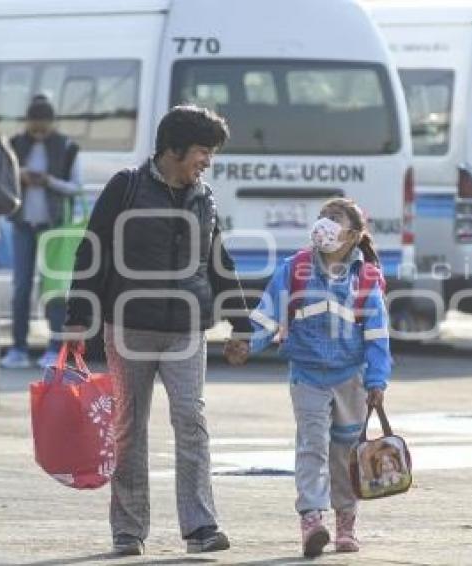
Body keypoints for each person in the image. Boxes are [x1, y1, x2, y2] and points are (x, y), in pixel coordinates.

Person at [64, 105, 251, 557]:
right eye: (203, 152)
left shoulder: (203, 196)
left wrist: (241, 324)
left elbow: (218, 261)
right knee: (130, 427)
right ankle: (128, 531)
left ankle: (201, 526)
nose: (207, 161)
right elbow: (91, 253)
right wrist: (77, 319)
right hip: (129, 327)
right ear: (173, 149)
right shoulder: (125, 188)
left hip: (186, 328)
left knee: (191, 421)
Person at [240, 197, 392, 557]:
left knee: (344, 453)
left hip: (350, 379)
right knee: (311, 448)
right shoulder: (295, 268)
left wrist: (377, 381)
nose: (325, 222)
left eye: (335, 218)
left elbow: (377, 335)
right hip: (306, 375)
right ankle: (312, 520)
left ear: (353, 235)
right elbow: (267, 313)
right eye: (323, 216)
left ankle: (345, 521)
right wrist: (247, 344)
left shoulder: (367, 278)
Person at [0, 95, 82, 370]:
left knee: (55, 289)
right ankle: (19, 347)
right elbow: (1, 181)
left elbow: (75, 187)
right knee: (21, 287)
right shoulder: (13, 145)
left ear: (52, 123)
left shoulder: (67, 147)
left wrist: (48, 181)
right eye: (34, 127)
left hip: (54, 228)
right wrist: (19, 176)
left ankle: (55, 347)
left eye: (43, 127)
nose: (38, 132)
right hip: (23, 224)